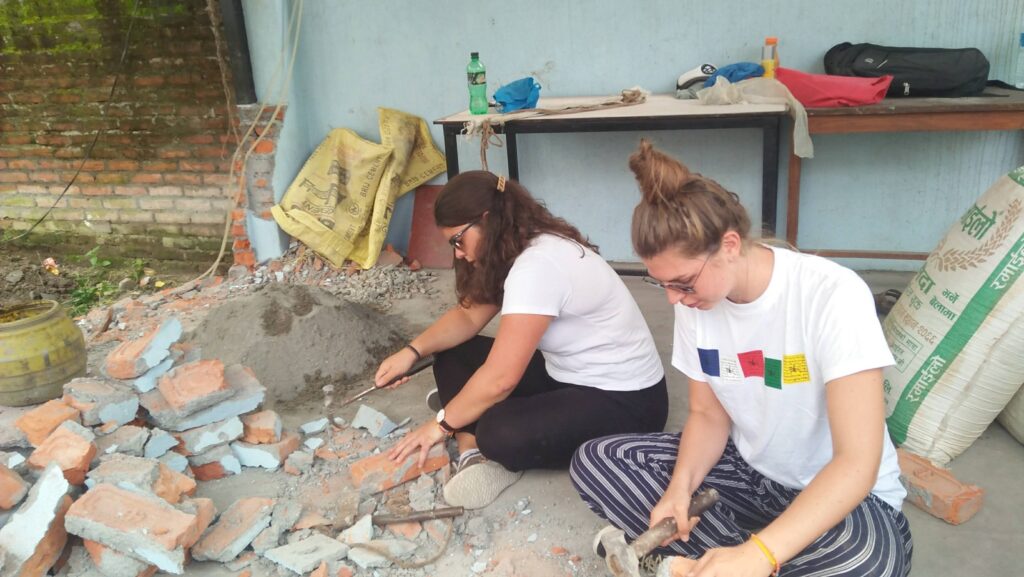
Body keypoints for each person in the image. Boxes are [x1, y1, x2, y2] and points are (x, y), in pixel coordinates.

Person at [571, 141, 912, 577]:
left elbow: (856, 463)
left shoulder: (832, 296)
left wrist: (760, 555)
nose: (675, 299)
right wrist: (680, 489)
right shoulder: (697, 304)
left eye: (683, 283)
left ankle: (704, 563)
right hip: (752, 475)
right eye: (663, 286)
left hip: (846, 497)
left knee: (867, 562)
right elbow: (707, 416)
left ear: (729, 245)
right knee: (597, 461)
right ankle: (736, 561)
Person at [376, 170, 668, 510]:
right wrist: (410, 352)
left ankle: (480, 436)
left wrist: (438, 426)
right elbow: (469, 316)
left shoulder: (538, 266)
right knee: (451, 353)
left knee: (500, 431)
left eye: (458, 240)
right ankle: (471, 452)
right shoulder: (514, 246)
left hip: (627, 401)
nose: (457, 253)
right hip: (567, 373)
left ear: (486, 220)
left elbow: (501, 379)